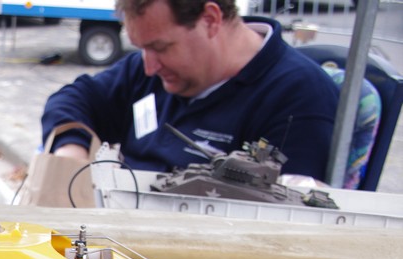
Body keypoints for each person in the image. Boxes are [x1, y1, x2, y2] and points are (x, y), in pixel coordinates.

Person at [40, 0, 340, 182]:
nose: (149, 67)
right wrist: (71, 150)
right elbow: (74, 98)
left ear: (210, 20)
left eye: (160, 47)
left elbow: (286, 224)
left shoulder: (298, 98)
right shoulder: (149, 71)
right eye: (142, 48)